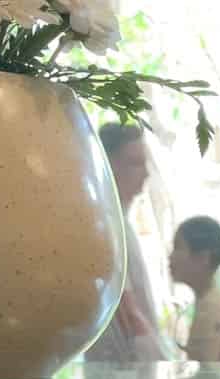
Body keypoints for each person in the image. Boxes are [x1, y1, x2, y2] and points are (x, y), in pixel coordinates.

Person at [87, 122, 175, 365]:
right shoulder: (105, 224)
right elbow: (129, 312)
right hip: (124, 369)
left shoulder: (119, 221)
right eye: (135, 163)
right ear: (108, 165)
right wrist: (162, 365)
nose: (145, 174)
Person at [169, 215, 220, 364]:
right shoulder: (210, 300)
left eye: (178, 247)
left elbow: (204, 373)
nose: (170, 256)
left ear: (203, 257)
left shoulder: (210, 309)